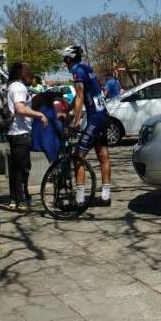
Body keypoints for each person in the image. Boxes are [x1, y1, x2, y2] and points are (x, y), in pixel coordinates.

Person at [60, 45, 112, 207]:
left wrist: (76, 121)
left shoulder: (77, 70)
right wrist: (68, 109)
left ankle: (80, 199)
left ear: (69, 59)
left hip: (95, 118)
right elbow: (80, 94)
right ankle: (105, 196)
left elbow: (81, 95)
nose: (65, 64)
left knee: (78, 157)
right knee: (102, 154)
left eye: (65, 60)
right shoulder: (86, 68)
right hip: (103, 114)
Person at [6, 62, 48, 210]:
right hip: (20, 133)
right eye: (27, 69)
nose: (29, 71)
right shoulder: (18, 87)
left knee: (17, 168)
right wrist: (40, 115)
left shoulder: (13, 86)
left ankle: (16, 199)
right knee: (22, 168)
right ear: (19, 72)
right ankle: (21, 200)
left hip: (16, 133)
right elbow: (20, 108)